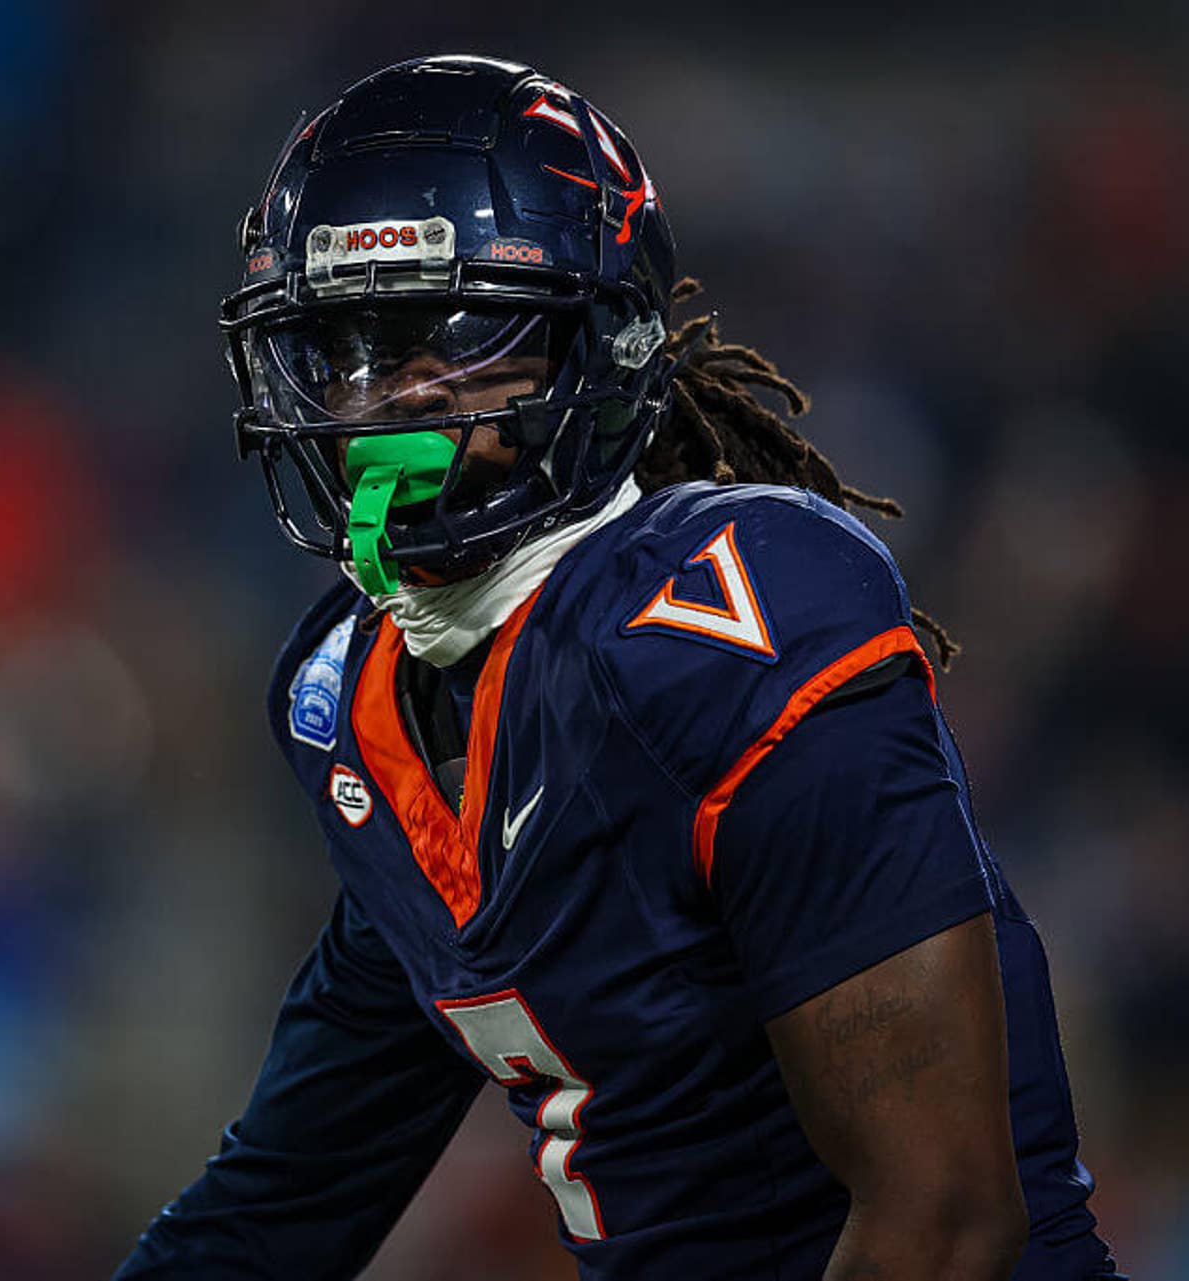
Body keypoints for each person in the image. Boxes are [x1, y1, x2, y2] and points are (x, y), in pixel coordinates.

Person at [116, 54, 1120, 1280]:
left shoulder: (727, 618)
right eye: (354, 347)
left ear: (603, 349)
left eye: (461, 338)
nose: (394, 401)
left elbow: (948, 1218)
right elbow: (277, 1208)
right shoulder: (359, 704)